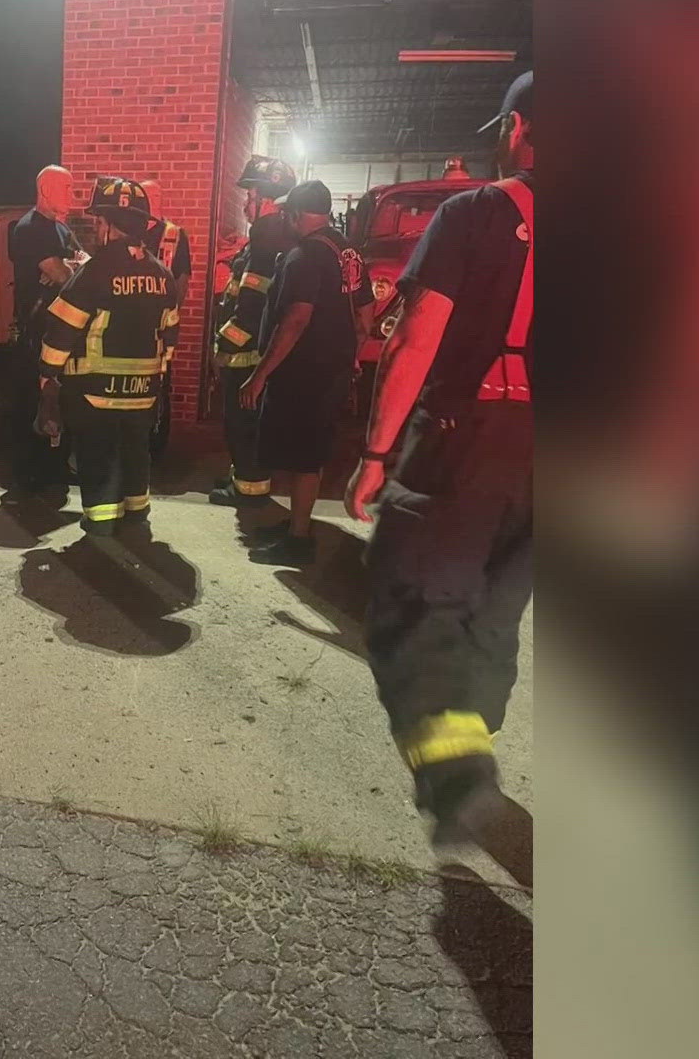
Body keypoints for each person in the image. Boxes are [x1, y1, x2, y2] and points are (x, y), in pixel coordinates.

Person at [345, 71, 532, 857]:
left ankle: (459, 781)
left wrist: (377, 452)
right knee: (499, 601)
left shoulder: (475, 214)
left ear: (519, 128)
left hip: (470, 437)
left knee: (419, 600)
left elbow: (417, 334)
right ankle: (475, 731)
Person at [236, 179, 375, 566]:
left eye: (286, 213)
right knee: (305, 454)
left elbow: (296, 318)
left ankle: (298, 538)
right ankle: (297, 523)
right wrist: (351, 351)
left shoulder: (303, 255)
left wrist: (260, 375)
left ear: (295, 215)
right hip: (331, 371)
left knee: (303, 457)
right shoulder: (348, 252)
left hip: (304, 373)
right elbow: (366, 311)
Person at [33, 177, 180, 537]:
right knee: (135, 454)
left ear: (108, 225)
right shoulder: (162, 274)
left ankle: (99, 526)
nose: (96, 228)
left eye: (99, 221)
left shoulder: (93, 272)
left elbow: (62, 329)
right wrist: (156, 378)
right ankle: (136, 515)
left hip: (94, 391)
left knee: (98, 457)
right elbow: (170, 333)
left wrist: (47, 376)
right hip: (144, 391)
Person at [207, 156, 298, 508]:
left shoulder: (264, 236)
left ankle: (248, 489)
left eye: (251, 195)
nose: (245, 203)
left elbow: (251, 304)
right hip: (256, 354)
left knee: (242, 422)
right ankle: (242, 475)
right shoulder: (275, 236)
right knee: (246, 422)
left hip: (245, 357)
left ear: (267, 200)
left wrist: (221, 347)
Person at [6, 165, 83, 503]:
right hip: (37, 330)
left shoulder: (63, 230)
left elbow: (81, 266)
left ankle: (55, 465)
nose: (72, 194)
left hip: (61, 330)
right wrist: (70, 272)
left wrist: (72, 271)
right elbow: (63, 274)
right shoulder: (30, 229)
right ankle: (29, 473)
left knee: (58, 398)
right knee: (36, 400)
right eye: (65, 188)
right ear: (45, 188)